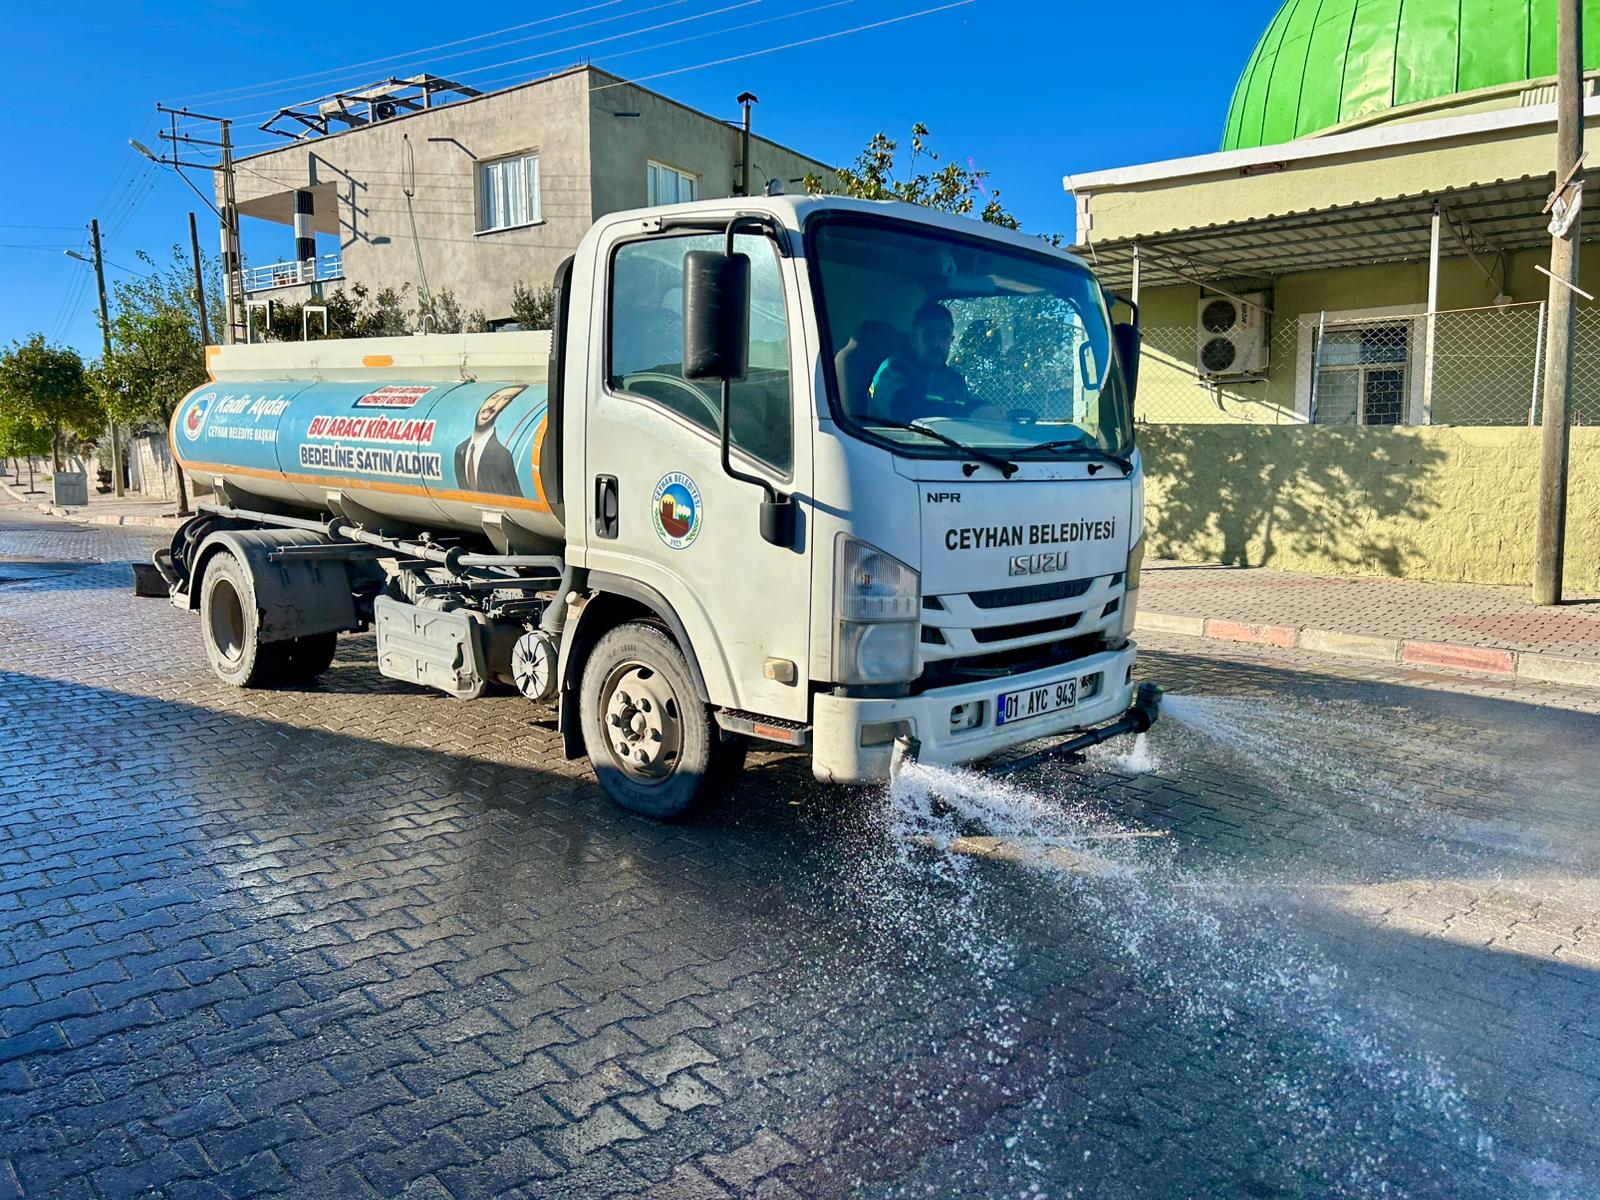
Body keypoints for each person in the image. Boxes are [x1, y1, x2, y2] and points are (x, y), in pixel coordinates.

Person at [867, 301, 979, 423]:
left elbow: (965, 405)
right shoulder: (894, 369)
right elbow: (906, 412)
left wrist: (985, 409)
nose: (936, 343)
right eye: (928, 335)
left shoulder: (954, 380)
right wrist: (968, 413)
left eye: (944, 336)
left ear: (951, 340)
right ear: (913, 339)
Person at [454, 385, 525, 497]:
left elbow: (515, 497)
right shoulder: (460, 450)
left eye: (505, 399)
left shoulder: (502, 455)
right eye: (494, 397)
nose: (493, 405)